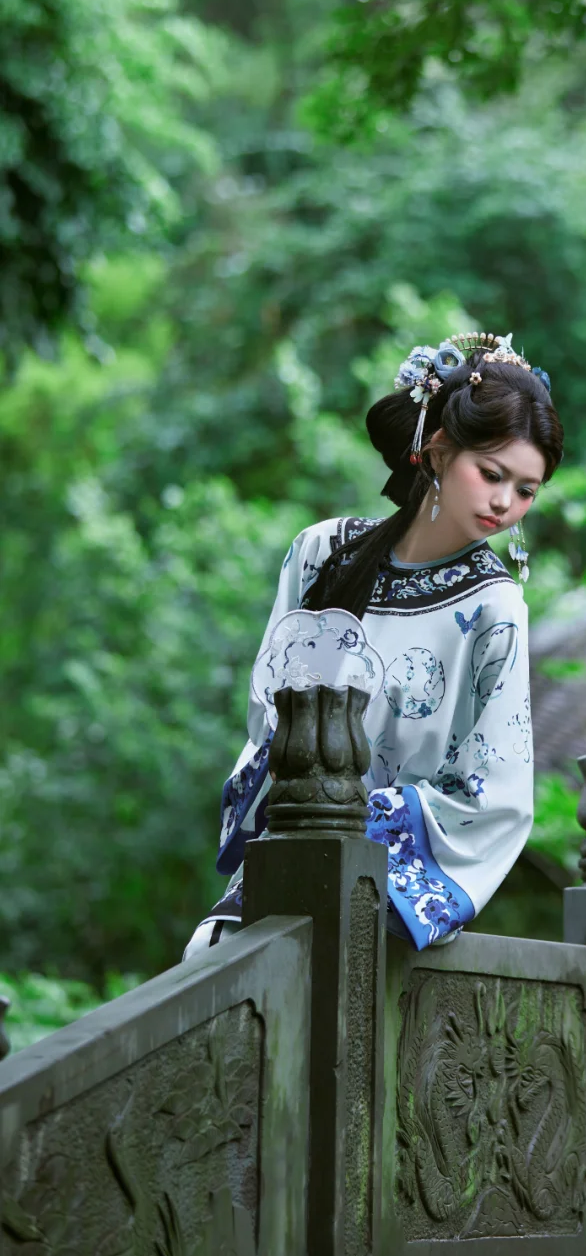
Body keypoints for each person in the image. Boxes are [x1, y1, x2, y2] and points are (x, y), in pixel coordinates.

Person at [182, 331, 563, 958]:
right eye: (491, 474)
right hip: (286, 857)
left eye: (526, 490)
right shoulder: (322, 553)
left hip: (395, 904)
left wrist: (366, 819)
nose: (504, 503)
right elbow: (266, 721)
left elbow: (497, 797)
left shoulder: (497, 607)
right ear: (438, 453)